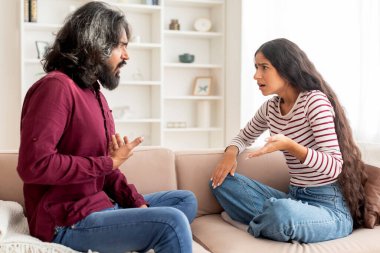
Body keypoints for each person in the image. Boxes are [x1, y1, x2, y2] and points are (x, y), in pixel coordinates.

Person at [17, 2, 197, 253]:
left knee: (184, 200)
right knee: (171, 221)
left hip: (99, 205)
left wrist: (135, 203)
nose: (127, 55)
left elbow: (106, 167)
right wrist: (108, 163)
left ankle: (133, 233)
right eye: (121, 45)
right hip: (65, 221)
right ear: (96, 44)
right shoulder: (56, 87)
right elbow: (34, 166)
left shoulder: (95, 94)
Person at [210, 38, 367, 243]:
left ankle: (269, 222)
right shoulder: (270, 108)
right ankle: (273, 222)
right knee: (220, 182)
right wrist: (229, 153)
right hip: (294, 197)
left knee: (281, 212)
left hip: (328, 206)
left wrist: (291, 147)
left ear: (286, 68)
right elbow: (243, 137)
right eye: (256, 67)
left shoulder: (314, 101)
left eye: (264, 67)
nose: (256, 75)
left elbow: (334, 166)